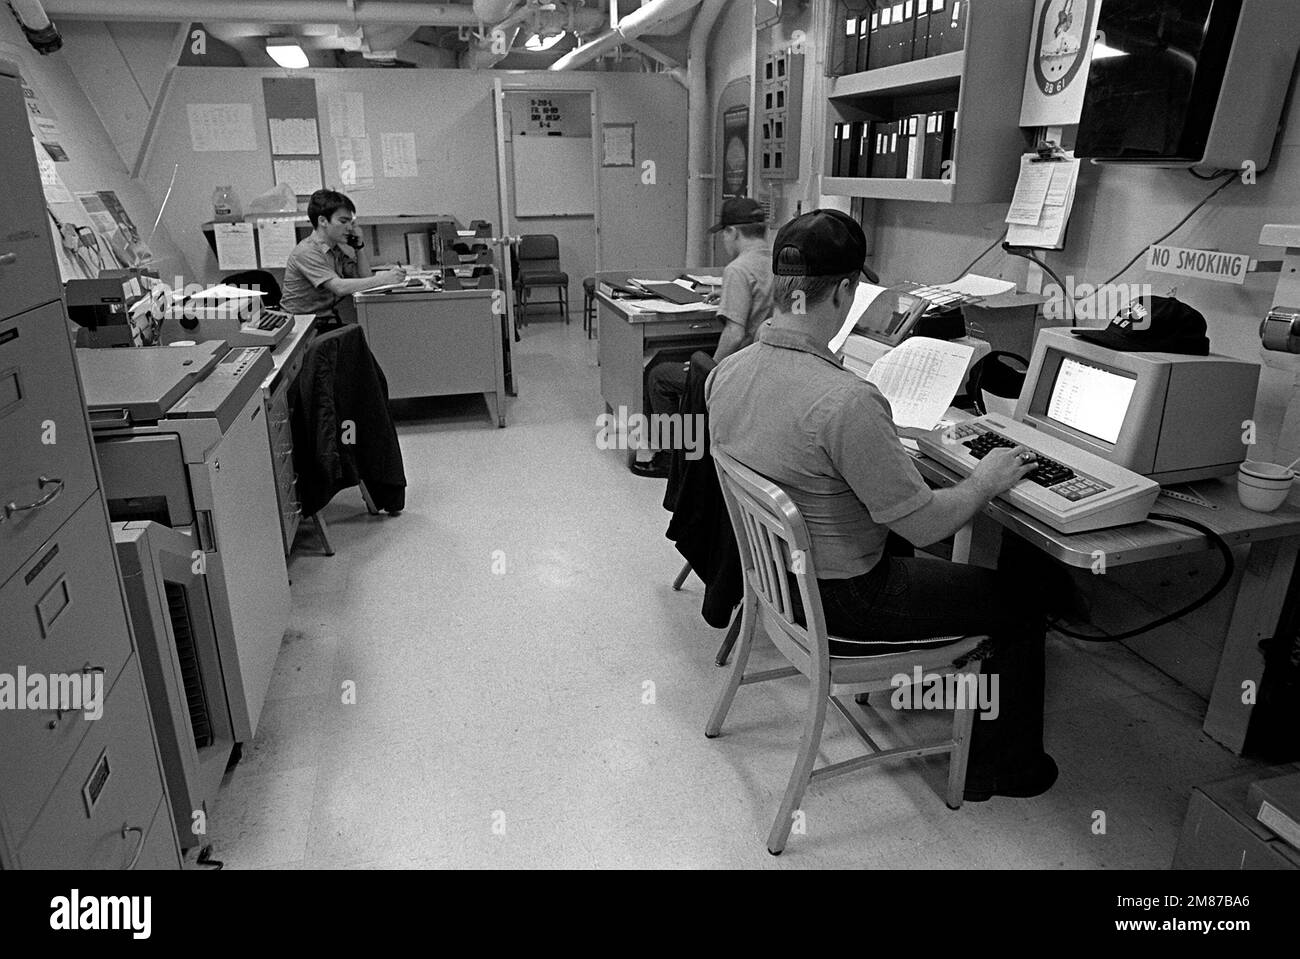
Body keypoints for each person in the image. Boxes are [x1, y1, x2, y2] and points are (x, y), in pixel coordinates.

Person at [705, 209, 1059, 802]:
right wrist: (985, 481)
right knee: (1022, 602)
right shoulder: (847, 401)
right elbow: (923, 526)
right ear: (845, 291)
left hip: (778, 590)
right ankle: (1001, 769)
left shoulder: (728, 372)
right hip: (844, 601)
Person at [632, 197, 775, 478]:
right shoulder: (776, 263)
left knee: (658, 375)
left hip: (737, 367)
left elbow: (734, 334)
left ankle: (673, 461)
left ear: (732, 232)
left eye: (724, 234)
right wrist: (727, 294)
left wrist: (709, 372)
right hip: (762, 364)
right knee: (668, 360)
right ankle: (689, 446)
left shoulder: (737, 269)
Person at [280, 189, 406, 322]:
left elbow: (365, 277)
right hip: (300, 326)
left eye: (351, 223)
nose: (350, 228)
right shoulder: (307, 251)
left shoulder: (336, 249)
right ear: (323, 221)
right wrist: (385, 278)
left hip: (322, 320)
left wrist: (359, 247)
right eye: (343, 221)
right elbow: (339, 287)